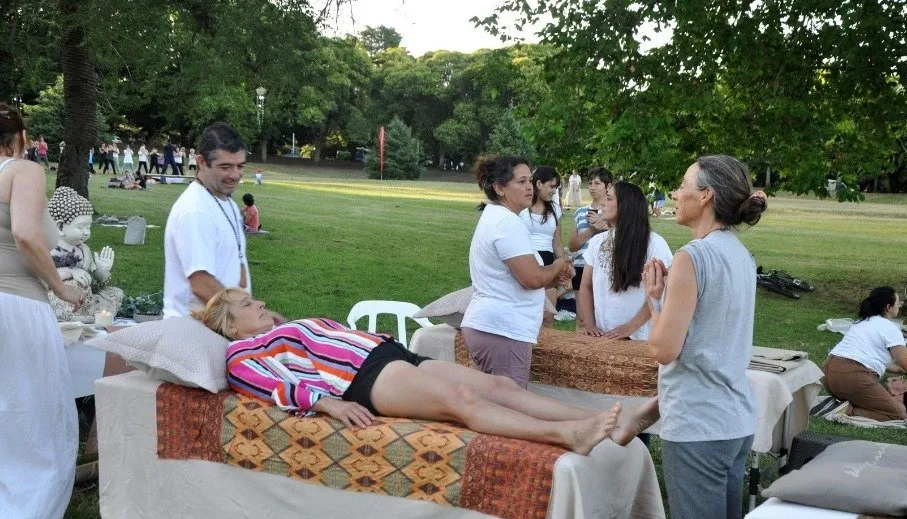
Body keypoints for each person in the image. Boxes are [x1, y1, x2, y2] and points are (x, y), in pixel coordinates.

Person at [195, 288, 622, 455]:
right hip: (363, 378)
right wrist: (328, 405)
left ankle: (600, 422)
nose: (259, 303)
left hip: (386, 353)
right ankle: (566, 435)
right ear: (229, 326)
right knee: (462, 401)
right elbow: (271, 388)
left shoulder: (277, 331)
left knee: (500, 384)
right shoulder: (240, 354)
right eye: (247, 304)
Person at [631, 155, 767, 519]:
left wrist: (654, 302)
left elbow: (663, 349)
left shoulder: (692, 257)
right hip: (733, 422)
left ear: (705, 195)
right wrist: (662, 299)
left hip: (698, 427)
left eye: (683, 184)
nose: (676, 192)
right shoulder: (739, 254)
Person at [151, 122, 285, 519]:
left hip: (222, 333)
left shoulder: (221, 201)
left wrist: (251, 315)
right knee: (197, 439)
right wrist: (247, 322)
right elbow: (201, 282)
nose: (234, 175)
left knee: (216, 438)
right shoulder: (194, 210)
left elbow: (231, 270)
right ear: (199, 162)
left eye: (240, 166)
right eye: (224, 166)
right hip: (198, 337)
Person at [0, 103, 83, 519]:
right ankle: (28, 517)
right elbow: (27, 234)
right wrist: (60, 286)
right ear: (20, 138)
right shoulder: (23, 170)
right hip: (14, 301)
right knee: (36, 408)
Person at [460, 155, 574, 388]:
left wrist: (552, 280)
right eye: (521, 182)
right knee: (508, 405)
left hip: (495, 327)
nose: (529, 187)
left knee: (494, 402)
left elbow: (513, 278)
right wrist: (558, 264)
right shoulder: (506, 223)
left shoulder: (499, 217)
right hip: (502, 331)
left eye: (529, 181)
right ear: (500, 188)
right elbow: (532, 278)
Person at [579, 181, 672, 340]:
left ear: (625, 205)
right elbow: (585, 286)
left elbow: (662, 290)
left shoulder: (654, 243)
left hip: (640, 338)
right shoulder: (597, 242)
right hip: (603, 336)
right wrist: (590, 324)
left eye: (609, 198)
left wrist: (631, 327)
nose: (602, 203)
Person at [823, 287, 907, 421]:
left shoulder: (862, 323)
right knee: (899, 413)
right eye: (898, 302)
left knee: (879, 404)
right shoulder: (890, 328)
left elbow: (870, 358)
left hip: (828, 375)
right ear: (888, 307)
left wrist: (901, 370)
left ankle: (840, 405)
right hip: (852, 378)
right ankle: (848, 412)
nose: (900, 305)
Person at [520, 166, 563, 327]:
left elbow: (557, 243)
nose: (554, 191)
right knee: (526, 315)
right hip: (527, 261)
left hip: (548, 262)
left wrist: (563, 265)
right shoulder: (522, 207)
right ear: (538, 184)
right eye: (551, 186)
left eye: (556, 188)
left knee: (548, 317)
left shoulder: (555, 209)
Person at [567, 167, 612, 304]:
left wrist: (605, 226)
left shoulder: (614, 212)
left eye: (597, 183)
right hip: (581, 266)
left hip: (604, 267)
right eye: (590, 183)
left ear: (608, 186)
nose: (592, 187)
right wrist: (592, 230)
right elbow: (572, 246)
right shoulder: (580, 212)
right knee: (581, 314)